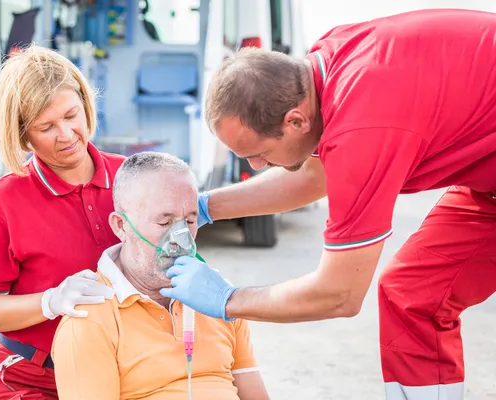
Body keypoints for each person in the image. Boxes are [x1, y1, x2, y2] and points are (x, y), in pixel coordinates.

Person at [160, 8, 496, 400]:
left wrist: (226, 299)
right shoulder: (320, 71)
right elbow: (313, 174)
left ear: (295, 121)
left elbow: (339, 293)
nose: (256, 167)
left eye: (261, 154)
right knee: (413, 293)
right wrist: (202, 208)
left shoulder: (363, 127)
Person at [0, 44, 125, 399]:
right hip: (25, 376)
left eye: (71, 115)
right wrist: (49, 301)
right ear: (22, 135)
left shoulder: (131, 176)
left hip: (116, 370)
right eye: (46, 126)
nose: (65, 135)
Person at [51, 152, 269, 400]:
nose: (181, 239)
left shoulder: (218, 298)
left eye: (188, 220)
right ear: (121, 226)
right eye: (165, 223)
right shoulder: (90, 320)